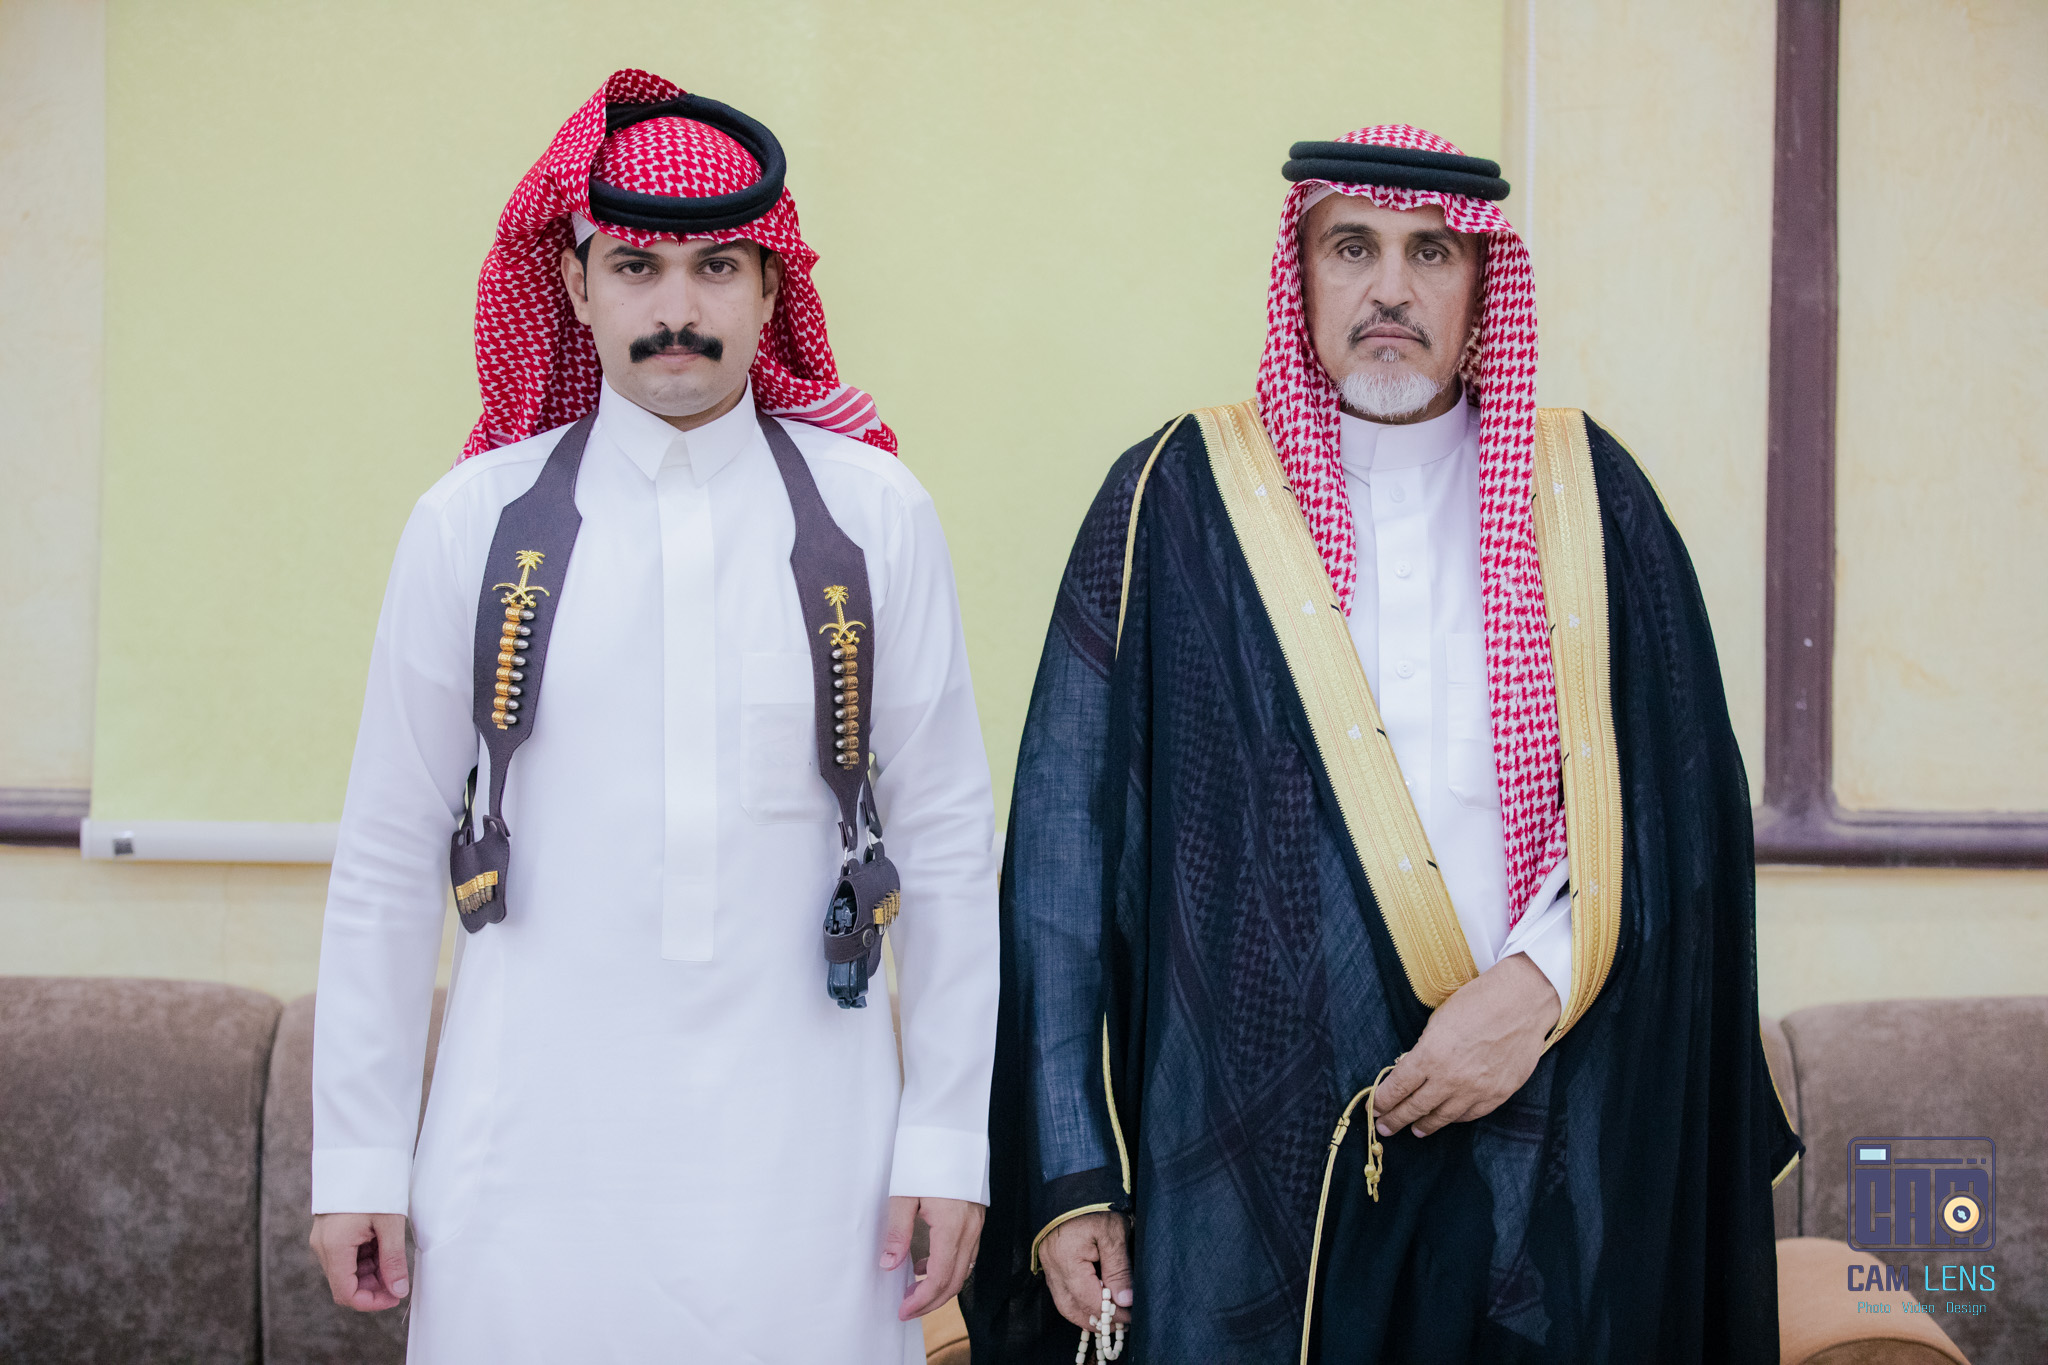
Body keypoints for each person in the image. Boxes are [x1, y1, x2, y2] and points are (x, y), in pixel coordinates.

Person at [966, 126, 1799, 1363]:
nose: (1390, 289)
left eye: (1431, 253)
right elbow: (1059, 858)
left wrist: (1533, 989)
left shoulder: (1588, 499)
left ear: (1480, 285)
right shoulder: (1175, 500)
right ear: (1299, 275)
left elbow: (1680, 816)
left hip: (1540, 1112)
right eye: (1351, 248)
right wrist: (1073, 1173)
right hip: (1248, 1156)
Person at [307, 69, 997, 1363]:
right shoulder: (472, 526)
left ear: (771, 288)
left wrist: (948, 1139)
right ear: (575, 286)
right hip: (525, 1172)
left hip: (815, 1175)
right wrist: (357, 1155)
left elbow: (949, 842)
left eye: (716, 268)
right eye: (635, 267)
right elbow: (389, 855)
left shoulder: (874, 515)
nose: (676, 310)